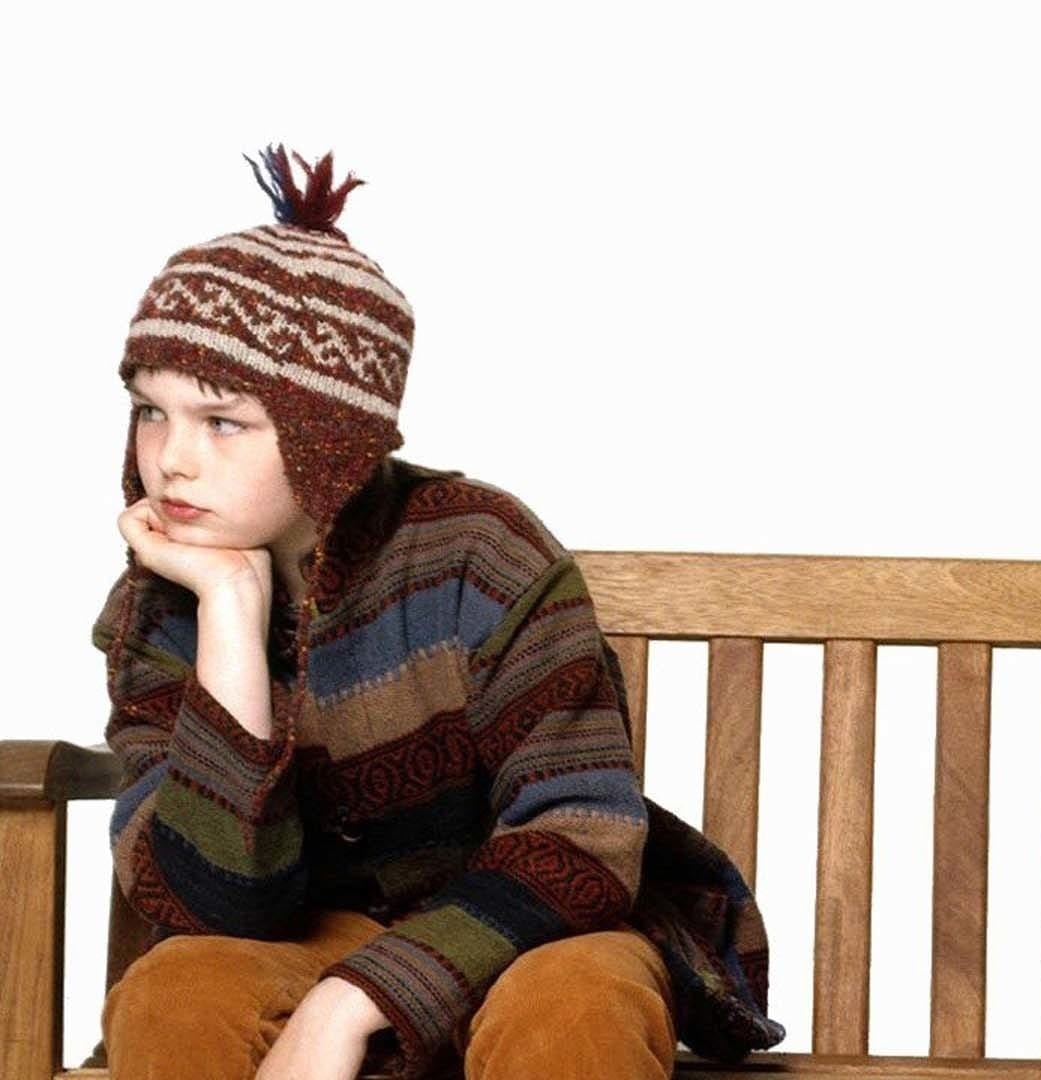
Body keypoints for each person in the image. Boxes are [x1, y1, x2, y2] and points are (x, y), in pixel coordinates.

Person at [94, 147, 784, 1079]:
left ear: (330, 438)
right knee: (179, 990)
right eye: (150, 411)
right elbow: (216, 908)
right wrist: (227, 612)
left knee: (578, 1003)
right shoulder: (156, 608)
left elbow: (580, 834)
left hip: (528, 931)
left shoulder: (479, 551)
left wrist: (355, 999)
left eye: (222, 421)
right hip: (316, 933)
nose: (171, 458)